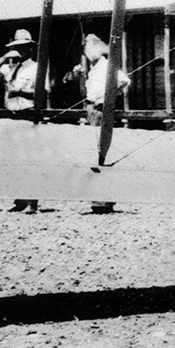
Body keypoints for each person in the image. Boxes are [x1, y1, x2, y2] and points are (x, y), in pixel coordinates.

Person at [0, 29, 41, 214]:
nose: (20, 51)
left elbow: (42, 92)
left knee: (30, 158)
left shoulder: (37, 68)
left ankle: (33, 201)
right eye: (17, 47)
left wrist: (19, 92)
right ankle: (20, 199)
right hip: (12, 114)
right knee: (15, 158)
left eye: (23, 47)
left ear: (31, 48)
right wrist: (4, 57)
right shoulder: (10, 68)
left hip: (28, 113)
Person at [77, 34, 130, 214]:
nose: (87, 51)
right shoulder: (93, 69)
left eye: (90, 46)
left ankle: (104, 198)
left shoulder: (106, 66)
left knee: (101, 151)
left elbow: (124, 81)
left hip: (101, 109)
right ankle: (98, 197)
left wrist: (109, 98)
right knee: (94, 152)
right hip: (92, 108)